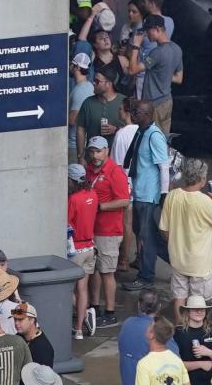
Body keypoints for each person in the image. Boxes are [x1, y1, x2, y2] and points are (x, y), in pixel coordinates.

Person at [160, 158, 212, 322]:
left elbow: (164, 229)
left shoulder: (172, 196)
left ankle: (181, 329)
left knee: (179, 297)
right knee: (199, 301)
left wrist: (174, 245)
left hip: (177, 258)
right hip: (200, 263)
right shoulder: (205, 201)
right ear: (202, 179)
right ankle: (197, 331)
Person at [81, 134, 131, 324]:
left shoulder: (115, 173)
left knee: (107, 272)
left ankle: (110, 312)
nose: (95, 155)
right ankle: (95, 307)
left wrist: (99, 206)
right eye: (92, 151)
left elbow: (124, 201)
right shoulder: (89, 171)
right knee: (94, 270)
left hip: (108, 231)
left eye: (99, 151)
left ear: (107, 151)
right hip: (91, 229)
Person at [123, 100, 171, 291]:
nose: (133, 114)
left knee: (147, 237)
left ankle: (146, 276)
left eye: (137, 112)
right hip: (140, 191)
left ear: (148, 114)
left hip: (149, 194)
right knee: (144, 232)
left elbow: (164, 166)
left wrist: (163, 193)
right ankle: (180, 262)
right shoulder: (141, 132)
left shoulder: (154, 136)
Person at [128, 15, 183, 132]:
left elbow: (132, 70)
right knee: (164, 140)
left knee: (152, 139)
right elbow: (179, 78)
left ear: (157, 29)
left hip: (154, 104)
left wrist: (136, 46)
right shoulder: (177, 49)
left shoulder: (156, 53)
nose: (146, 34)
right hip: (167, 101)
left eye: (148, 30)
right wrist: (162, 73)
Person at [67, 163, 99, 338]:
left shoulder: (73, 199)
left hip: (76, 249)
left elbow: (66, 224)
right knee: (83, 289)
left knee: (66, 290)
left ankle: (85, 315)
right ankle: (79, 329)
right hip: (90, 247)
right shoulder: (93, 195)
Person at [75, 67, 124, 159]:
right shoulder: (88, 103)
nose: (93, 83)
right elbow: (80, 130)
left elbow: (134, 129)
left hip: (118, 159)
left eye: (97, 81)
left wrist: (116, 130)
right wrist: (80, 156)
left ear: (109, 84)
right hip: (92, 158)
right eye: (94, 80)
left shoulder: (124, 102)